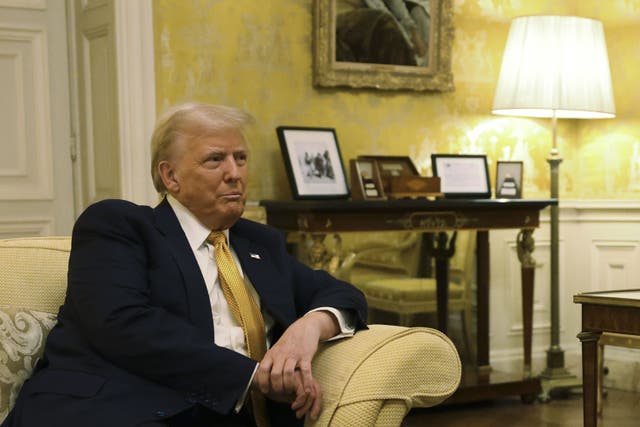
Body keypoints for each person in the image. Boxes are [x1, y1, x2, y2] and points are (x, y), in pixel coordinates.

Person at [3, 103, 368, 427]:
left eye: (240, 158)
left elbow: (342, 293)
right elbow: (122, 324)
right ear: (170, 176)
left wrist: (310, 327)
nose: (235, 173)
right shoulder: (120, 226)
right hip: (119, 408)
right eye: (215, 159)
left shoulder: (260, 242)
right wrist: (254, 376)